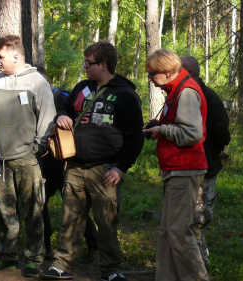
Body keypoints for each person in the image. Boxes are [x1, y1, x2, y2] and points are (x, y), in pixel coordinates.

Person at [40, 41, 144, 281]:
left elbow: (135, 137)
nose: (85, 66)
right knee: (70, 219)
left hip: (106, 170)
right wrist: (63, 116)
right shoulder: (82, 88)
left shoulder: (125, 94)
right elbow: (64, 108)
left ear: (104, 65)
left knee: (106, 223)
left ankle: (111, 270)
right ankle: (61, 266)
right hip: (75, 167)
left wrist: (121, 168)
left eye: (89, 63)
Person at [0, 35, 56, 277]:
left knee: (33, 210)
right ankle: (8, 256)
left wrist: (36, 148)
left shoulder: (37, 83)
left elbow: (48, 120)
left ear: (16, 56)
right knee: (5, 210)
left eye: (0, 56)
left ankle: (34, 259)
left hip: (27, 159)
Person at [143, 49, 209, 281]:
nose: (150, 79)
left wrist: (161, 130)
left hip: (185, 168)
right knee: (166, 232)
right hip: (175, 169)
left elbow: (193, 133)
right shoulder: (175, 89)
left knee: (179, 232)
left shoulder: (187, 92)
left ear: (168, 71)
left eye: (152, 74)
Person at [35, 65, 99, 263]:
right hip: (41, 161)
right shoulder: (32, 97)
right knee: (39, 202)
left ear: (45, 82)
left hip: (62, 162)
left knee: (75, 206)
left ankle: (94, 246)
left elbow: (75, 125)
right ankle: (45, 245)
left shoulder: (61, 96)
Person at [181, 56, 231, 265]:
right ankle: (197, 261)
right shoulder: (184, 94)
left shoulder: (208, 97)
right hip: (188, 166)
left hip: (207, 165)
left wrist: (212, 152)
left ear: (190, 72)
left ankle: (198, 264)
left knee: (199, 217)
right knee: (190, 218)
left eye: (178, 70)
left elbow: (222, 134)